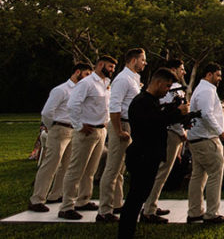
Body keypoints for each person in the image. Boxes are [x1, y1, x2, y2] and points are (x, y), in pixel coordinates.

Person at [118, 68, 189, 239]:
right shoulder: (141, 102)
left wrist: (176, 113)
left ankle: (130, 230)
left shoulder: (152, 101)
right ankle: (125, 233)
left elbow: (159, 118)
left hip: (150, 155)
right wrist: (177, 112)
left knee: (140, 196)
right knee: (135, 198)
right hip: (142, 155)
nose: (167, 90)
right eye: (166, 86)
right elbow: (152, 122)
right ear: (157, 83)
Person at [58, 55, 117, 220]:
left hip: (100, 130)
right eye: (110, 67)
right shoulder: (86, 83)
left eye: (113, 68)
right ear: (100, 65)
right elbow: (73, 104)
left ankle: (83, 200)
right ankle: (66, 206)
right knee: (76, 169)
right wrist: (79, 125)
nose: (112, 70)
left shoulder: (105, 84)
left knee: (91, 170)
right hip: (87, 131)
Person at [29, 63, 93, 212]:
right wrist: (53, 127)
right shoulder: (61, 90)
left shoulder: (81, 92)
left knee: (67, 166)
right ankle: (37, 199)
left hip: (74, 130)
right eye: (87, 74)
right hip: (59, 129)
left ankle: (56, 194)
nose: (89, 78)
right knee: (50, 165)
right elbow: (46, 112)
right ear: (77, 72)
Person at [98, 48, 146, 223]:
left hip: (131, 124)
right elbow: (115, 106)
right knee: (112, 168)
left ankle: (117, 203)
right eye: (143, 59)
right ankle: (104, 210)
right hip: (122, 124)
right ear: (133, 60)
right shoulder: (122, 79)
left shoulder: (134, 78)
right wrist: (118, 130)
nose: (145, 63)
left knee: (121, 168)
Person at [141, 58, 188, 223]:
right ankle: (148, 209)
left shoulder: (175, 88)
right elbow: (171, 113)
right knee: (161, 172)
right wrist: (181, 132)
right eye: (182, 69)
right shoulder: (170, 89)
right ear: (173, 69)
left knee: (162, 172)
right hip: (170, 132)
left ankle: (151, 203)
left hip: (173, 132)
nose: (184, 72)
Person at [186, 63, 224, 224]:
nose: (220, 78)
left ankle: (195, 212)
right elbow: (206, 114)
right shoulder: (206, 90)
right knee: (215, 172)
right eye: (217, 75)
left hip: (197, 138)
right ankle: (212, 213)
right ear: (209, 74)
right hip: (205, 139)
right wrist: (221, 131)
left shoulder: (202, 88)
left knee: (198, 176)